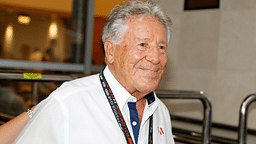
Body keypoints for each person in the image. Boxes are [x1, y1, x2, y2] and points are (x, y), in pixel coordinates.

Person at [13, 0, 174, 143]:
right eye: (143, 45)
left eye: (161, 47)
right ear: (110, 51)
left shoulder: (160, 111)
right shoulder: (67, 104)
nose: (155, 58)